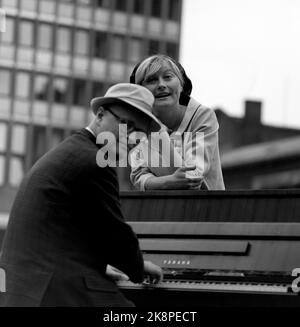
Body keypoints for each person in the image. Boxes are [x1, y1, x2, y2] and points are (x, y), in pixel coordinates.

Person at [0, 83, 163, 307]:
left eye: (139, 132)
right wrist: (137, 266)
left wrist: (101, 263)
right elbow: (114, 234)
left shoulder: (74, 150)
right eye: (126, 124)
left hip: (27, 284)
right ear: (100, 115)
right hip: (49, 289)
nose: (130, 137)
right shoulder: (95, 162)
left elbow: (72, 232)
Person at [129, 54, 225, 191]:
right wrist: (170, 181)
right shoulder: (137, 126)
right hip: (162, 210)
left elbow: (192, 177)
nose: (161, 85)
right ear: (140, 93)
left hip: (205, 210)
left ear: (181, 85)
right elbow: (139, 176)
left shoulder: (203, 116)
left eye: (168, 77)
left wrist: (158, 134)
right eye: (151, 80)